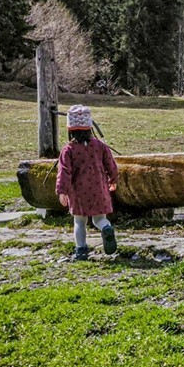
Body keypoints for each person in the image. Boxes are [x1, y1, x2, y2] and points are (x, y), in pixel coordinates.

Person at [56, 104, 119, 261]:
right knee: (99, 218)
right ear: (89, 127)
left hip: (79, 192)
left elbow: (64, 171)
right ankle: (106, 228)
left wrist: (62, 190)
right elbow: (111, 164)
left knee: (79, 221)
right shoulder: (100, 146)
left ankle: (81, 250)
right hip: (99, 189)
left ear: (70, 129)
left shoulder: (68, 149)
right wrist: (113, 179)